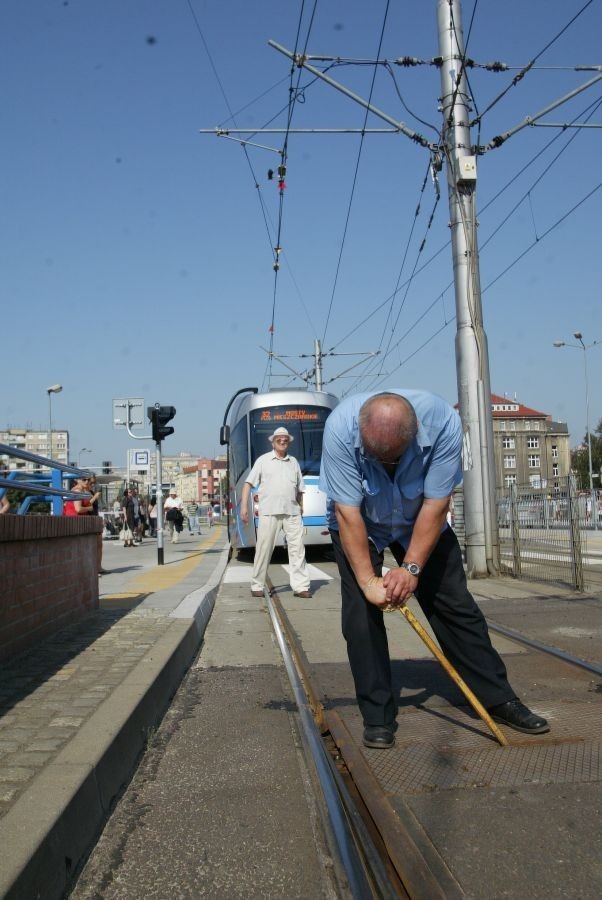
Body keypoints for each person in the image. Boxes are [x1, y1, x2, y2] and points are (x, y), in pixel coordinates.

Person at [320, 390, 549, 749]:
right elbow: (347, 513)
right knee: (360, 617)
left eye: (392, 459)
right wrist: (368, 582)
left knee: (455, 605)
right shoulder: (338, 429)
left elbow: (436, 502)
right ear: (361, 433)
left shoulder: (443, 423)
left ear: (411, 437)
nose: (384, 466)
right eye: (374, 458)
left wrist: (410, 569)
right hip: (362, 520)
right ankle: (378, 715)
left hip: (419, 518)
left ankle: (500, 698)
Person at [240, 426, 312, 599]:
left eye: (285, 439)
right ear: (273, 442)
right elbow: (248, 484)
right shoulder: (263, 461)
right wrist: (244, 507)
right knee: (264, 549)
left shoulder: (293, 462)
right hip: (269, 512)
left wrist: (301, 507)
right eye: (279, 439)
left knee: (297, 550)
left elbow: (300, 489)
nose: (282, 441)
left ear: (288, 443)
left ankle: (301, 586)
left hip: (292, 512)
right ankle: (257, 585)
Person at [64, 475, 108, 572]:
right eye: (84, 479)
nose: (87, 482)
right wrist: (89, 508)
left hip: (83, 520)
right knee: (83, 547)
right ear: (77, 480)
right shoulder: (77, 491)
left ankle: (92, 569)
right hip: (76, 521)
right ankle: (86, 570)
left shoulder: (83, 491)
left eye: (89, 480)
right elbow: (78, 509)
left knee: (90, 546)